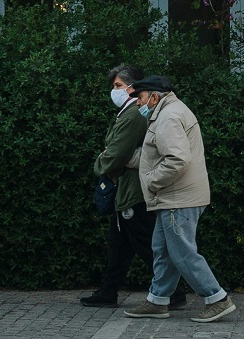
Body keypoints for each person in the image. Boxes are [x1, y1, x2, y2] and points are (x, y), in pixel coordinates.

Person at [122, 76, 236, 324]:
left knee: (182, 252)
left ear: (154, 96)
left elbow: (177, 159)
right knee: (163, 250)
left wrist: (152, 181)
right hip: (176, 197)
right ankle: (158, 301)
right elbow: (156, 152)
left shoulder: (168, 117)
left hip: (177, 198)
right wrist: (127, 159)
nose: (138, 103)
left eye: (140, 97)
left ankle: (217, 299)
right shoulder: (167, 112)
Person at [80, 65, 188, 310]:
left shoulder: (132, 115)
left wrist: (100, 162)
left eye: (118, 86)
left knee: (146, 244)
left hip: (133, 190)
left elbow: (116, 152)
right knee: (120, 244)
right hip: (127, 190)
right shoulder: (130, 113)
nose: (114, 91)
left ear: (132, 87)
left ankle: (173, 293)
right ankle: (108, 292)